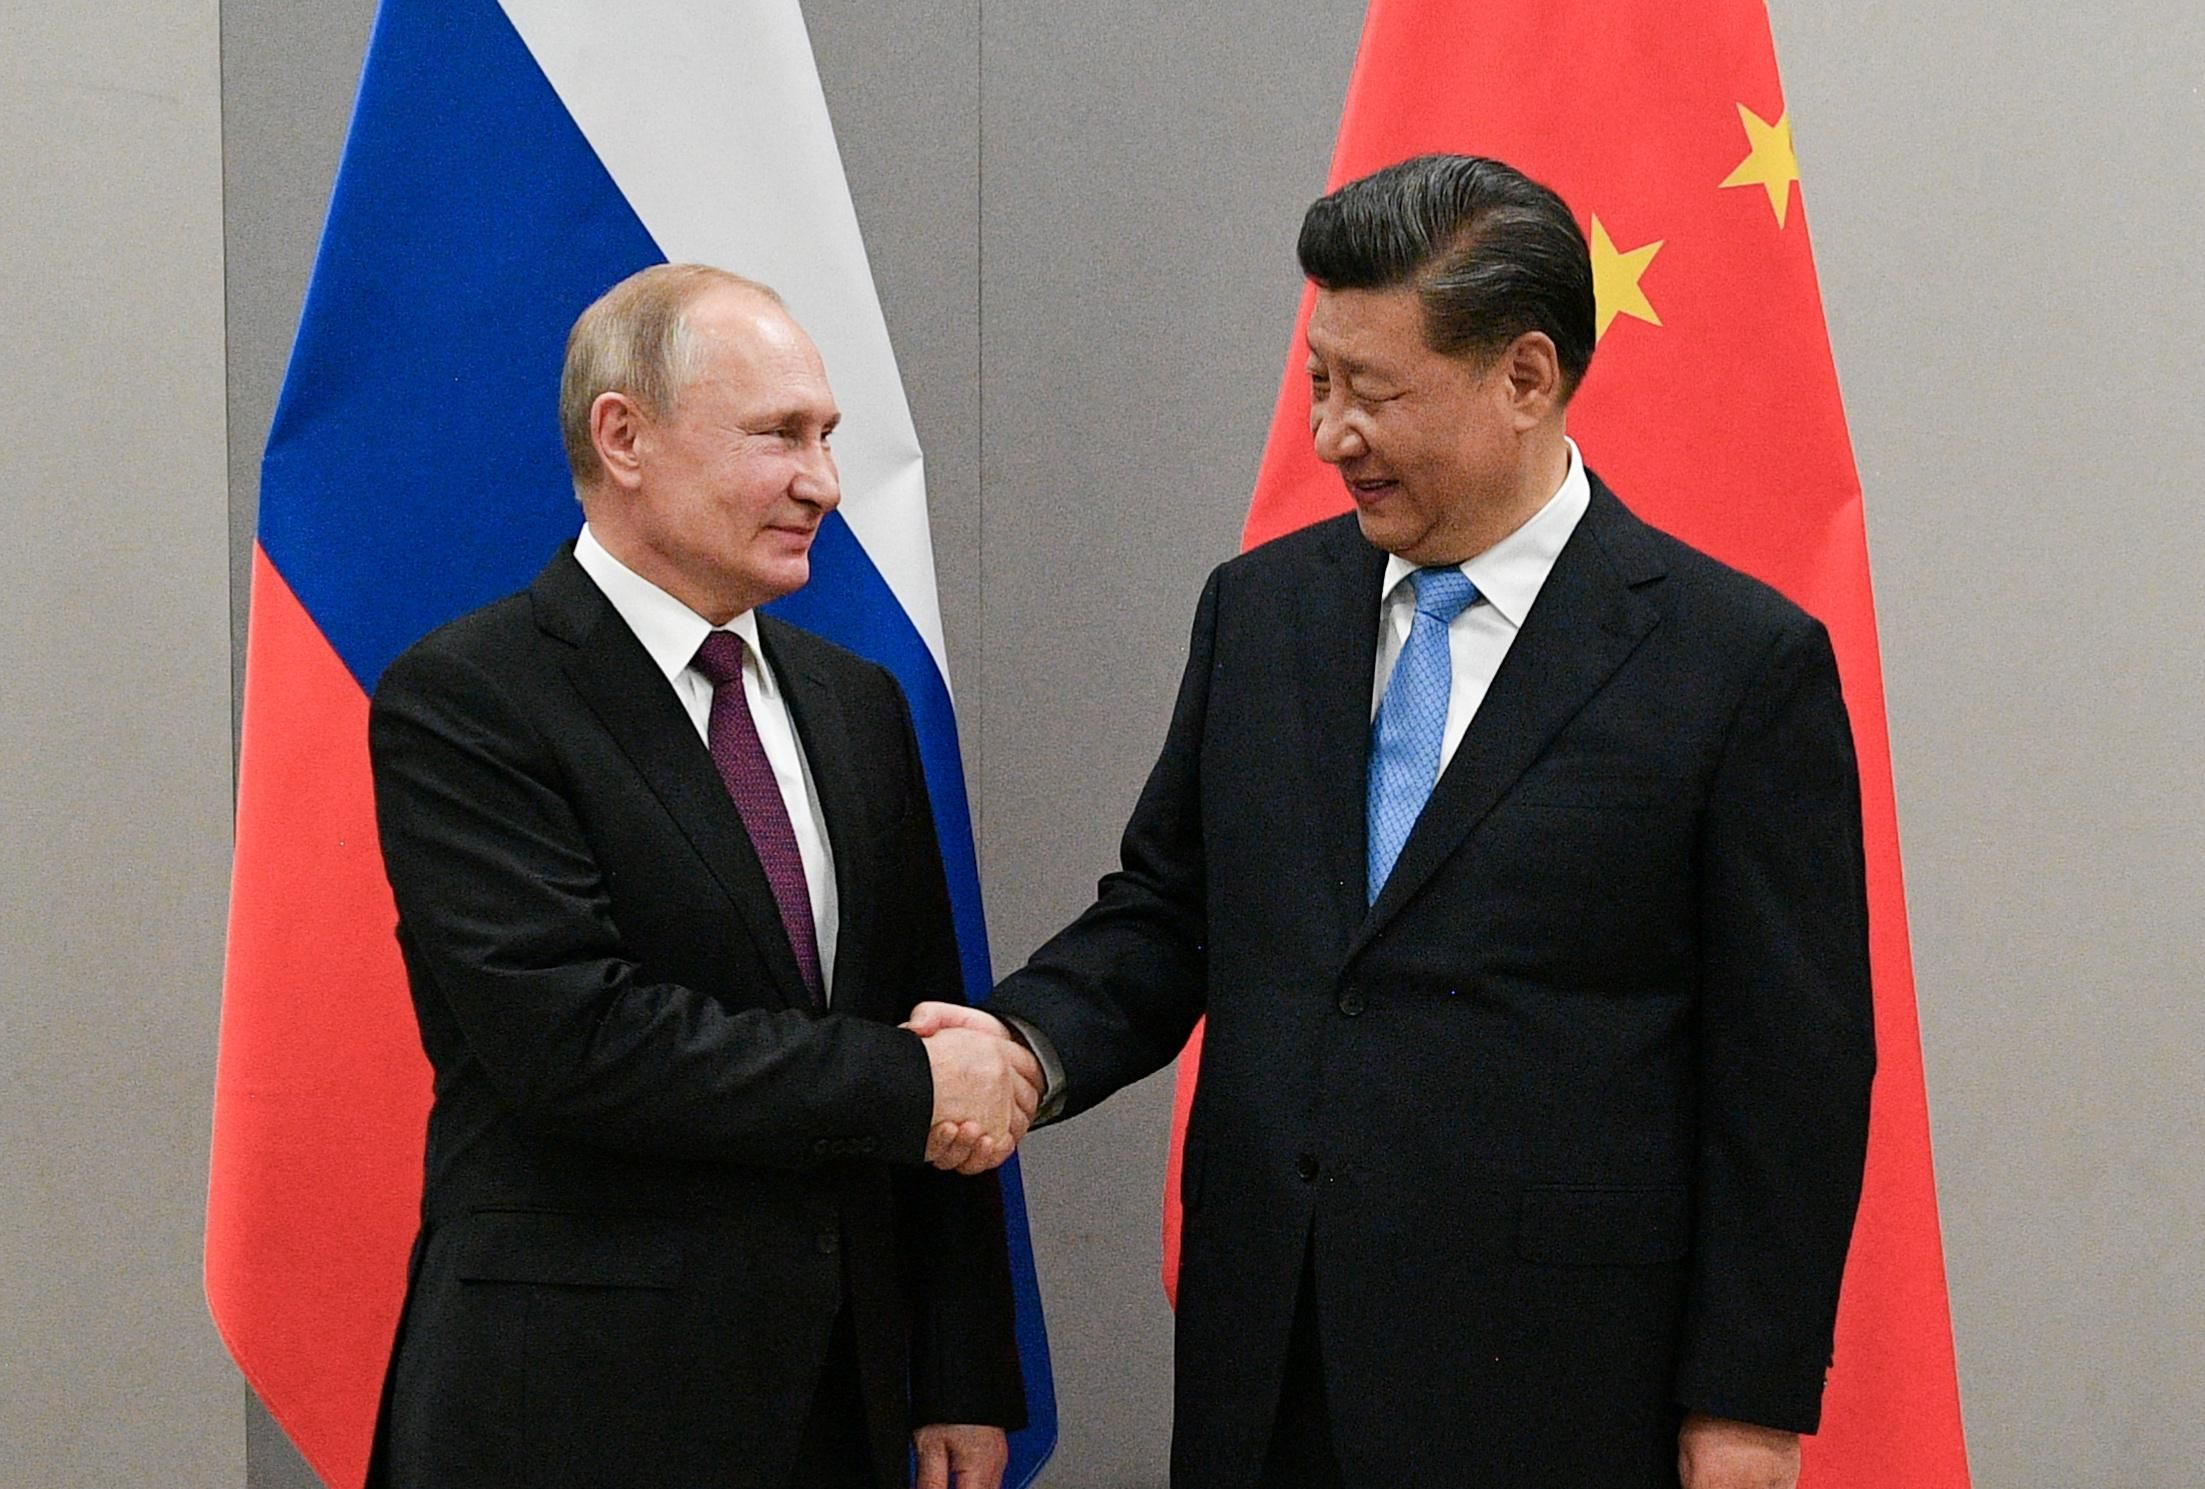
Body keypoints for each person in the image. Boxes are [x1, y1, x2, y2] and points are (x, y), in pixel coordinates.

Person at [913, 155, 1876, 1488]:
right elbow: (1170, 912)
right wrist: (1028, 1046)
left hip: (1561, 1389)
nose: (1328, 434)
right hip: (1270, 1370)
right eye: (1318, 378)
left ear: (1525, 377)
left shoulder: (1734, 663)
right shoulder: (1258, 612)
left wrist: (1747, 1406)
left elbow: (1793, 1078)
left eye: (1372, 391)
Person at [364, 264, 1036, 1489]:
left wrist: (960, 1371)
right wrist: (910, 1079)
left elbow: (927, 1005)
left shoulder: (857, 704)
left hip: (843, 1405)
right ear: (623, 436)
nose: (823, 482)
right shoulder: (469, 698)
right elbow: (578, 1041)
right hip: (570, 1408)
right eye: (779, 435)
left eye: (827, 438)